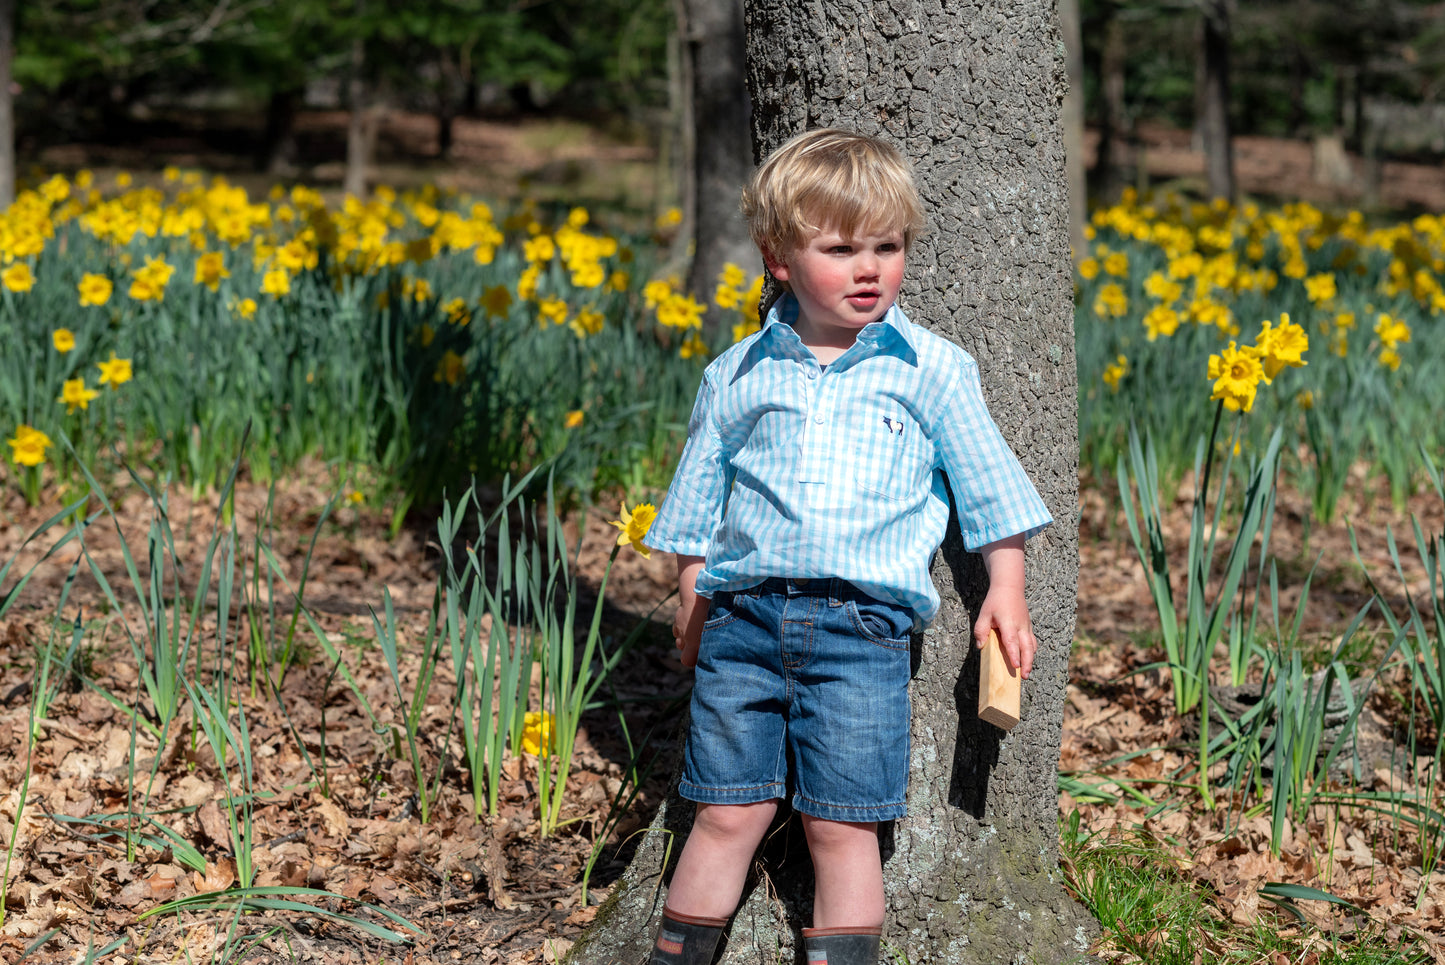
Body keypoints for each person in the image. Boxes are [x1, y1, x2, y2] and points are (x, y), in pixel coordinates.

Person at [642, 128, 1052, 965]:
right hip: (742, 626)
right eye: (839, 248)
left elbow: (988, 488)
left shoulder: (931, 368)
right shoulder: (738, 372)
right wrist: (692, 597)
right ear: (779, 257)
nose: (868, 267)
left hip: (860, 633)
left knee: (841, 821)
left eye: (887, 246)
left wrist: (1003, 589)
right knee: (725, 811)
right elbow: (695, 502)